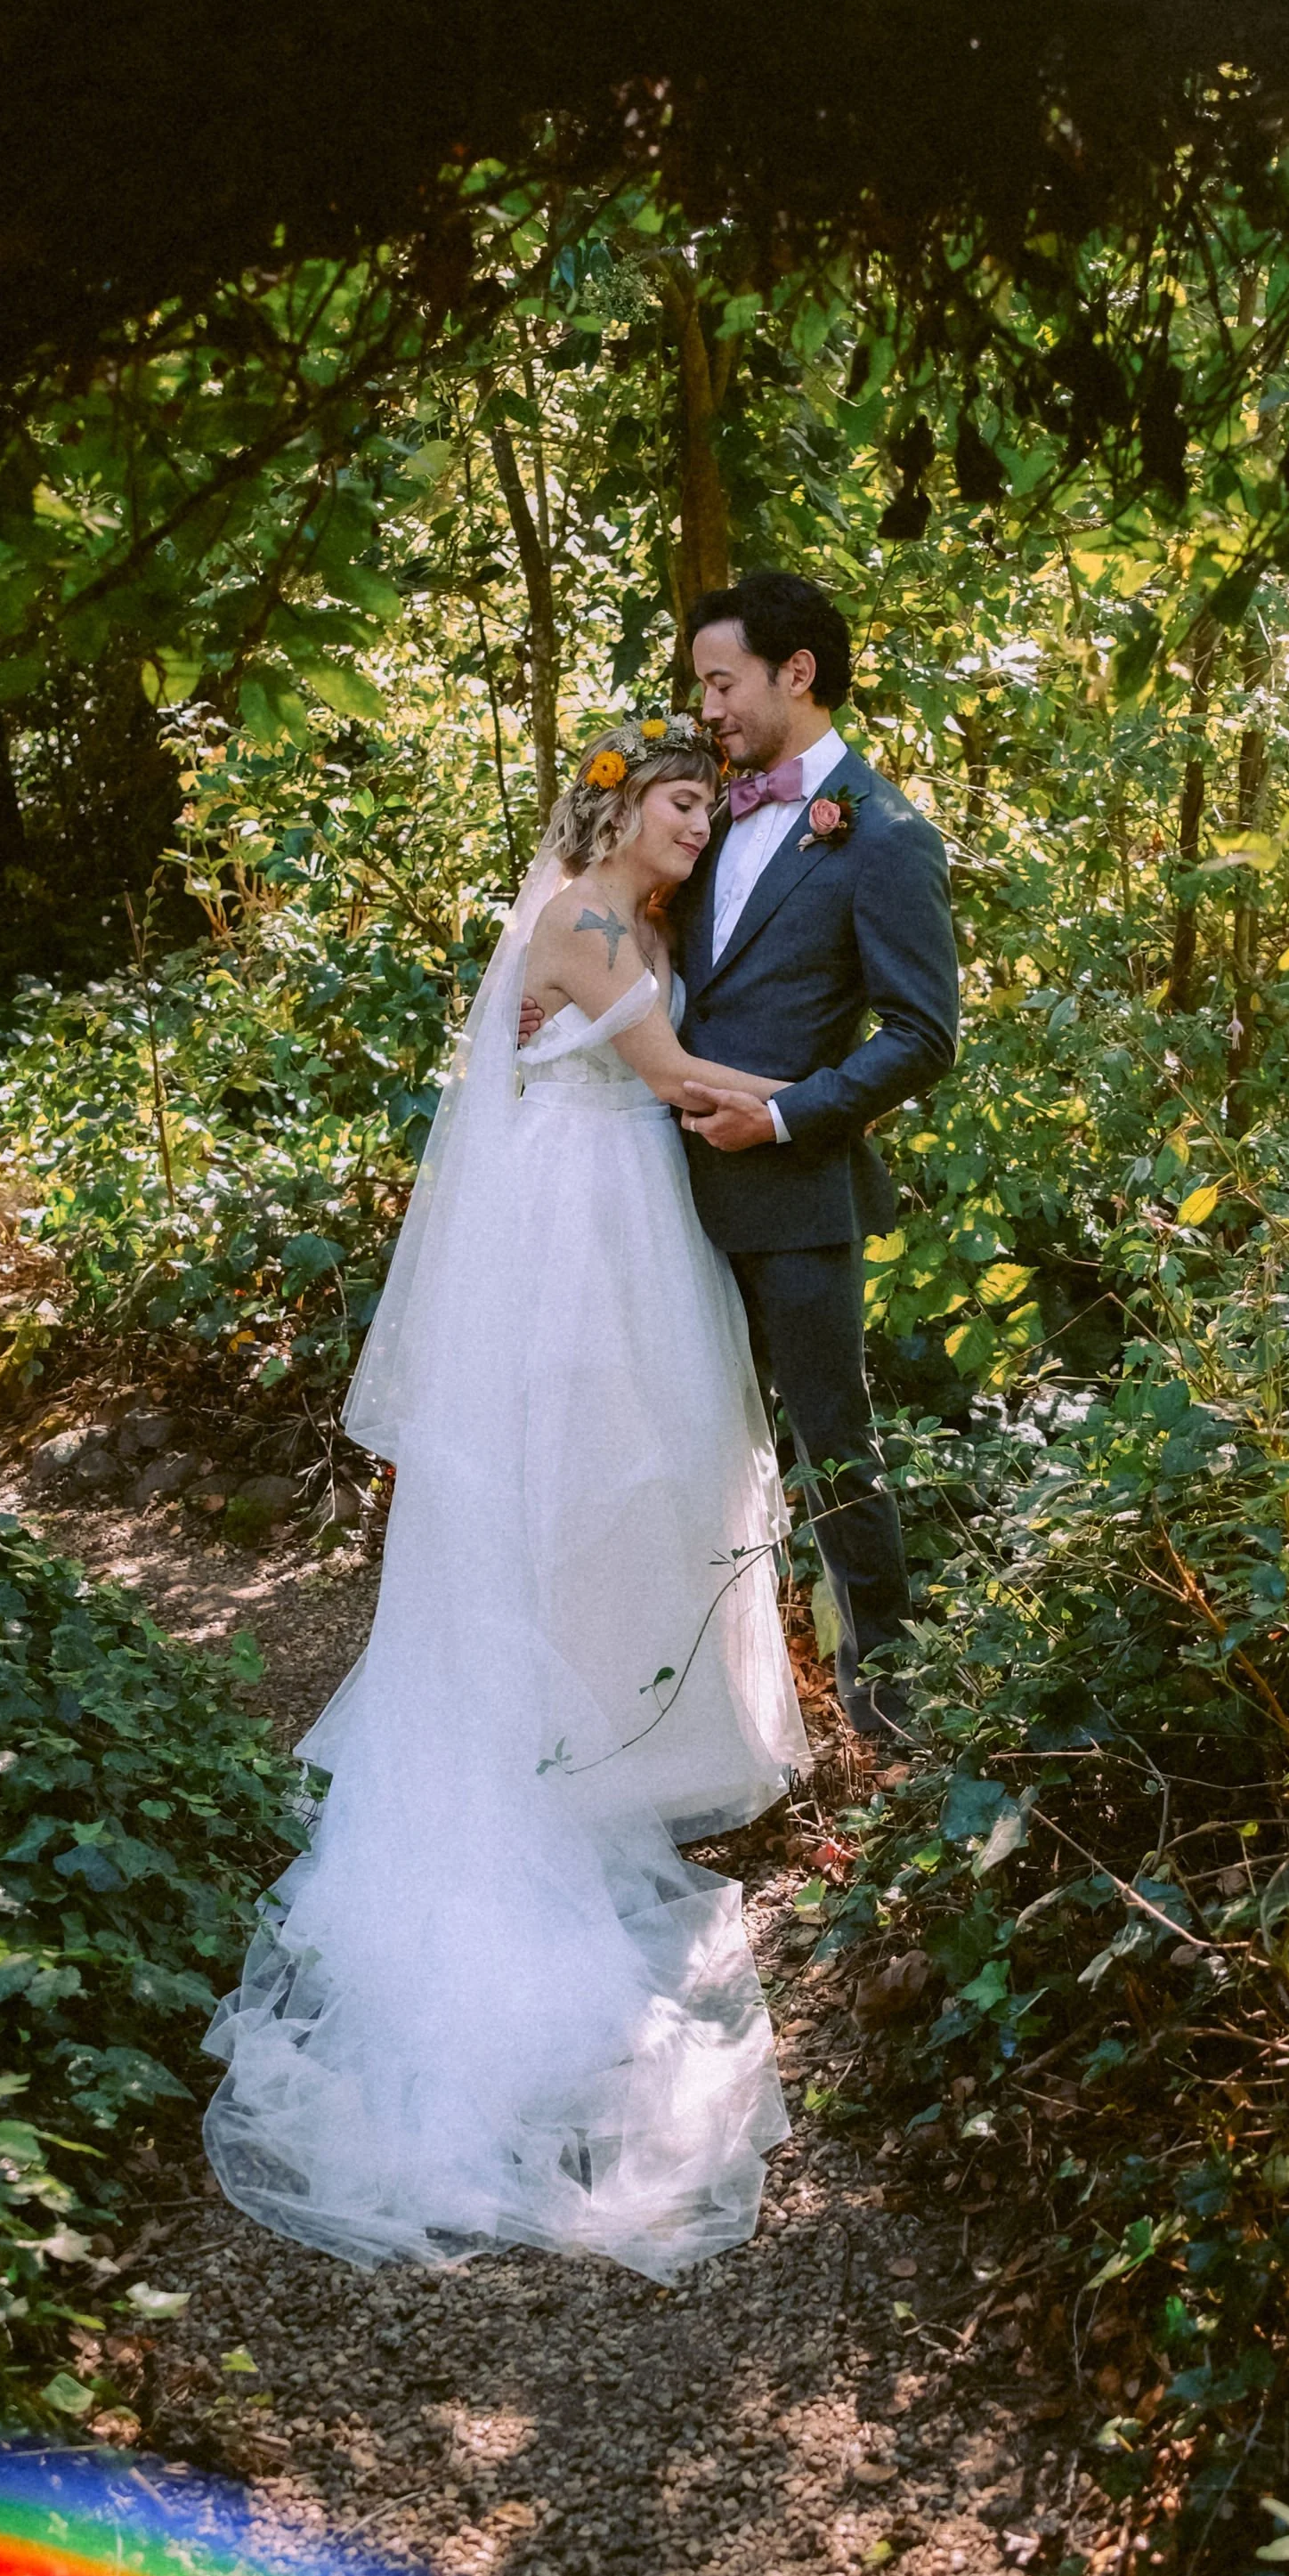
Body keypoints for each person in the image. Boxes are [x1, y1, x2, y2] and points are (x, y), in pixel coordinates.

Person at [203, 718, 812, 2283]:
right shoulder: (577, 919)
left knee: (646, 1489)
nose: (699, 824)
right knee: (567, 1486)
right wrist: (831, 1102)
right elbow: (668, 1074)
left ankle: (601, 1731)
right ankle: (537, 1758)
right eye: (684, 803)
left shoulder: (640, 918)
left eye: (710, 806)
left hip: (627, 1220)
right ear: (619, 811)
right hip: (573, 1234)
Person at [526, 570, 959, 1736]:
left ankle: (889, 1714)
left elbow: (924, 1037)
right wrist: (553, 1000)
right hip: (649, 1188)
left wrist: (781, 1116)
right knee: (661, 1452)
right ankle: (667, 1710)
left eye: (722, 681)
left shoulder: (887, 838)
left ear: (795, 674)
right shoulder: (704, 803)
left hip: (793, 1194)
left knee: (834, 1449)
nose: (707, 705)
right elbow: (627, 928)